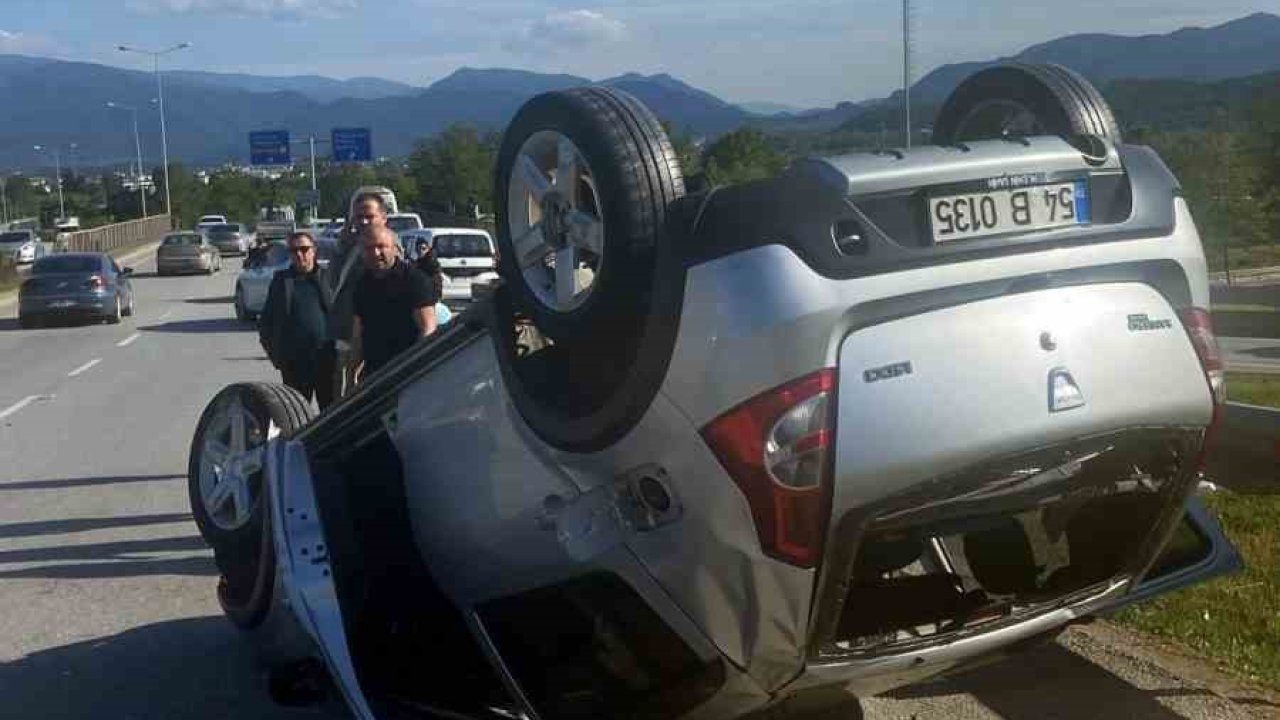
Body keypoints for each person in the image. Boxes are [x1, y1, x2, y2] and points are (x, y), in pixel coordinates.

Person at [258, 230, 336, 409]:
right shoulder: (282, 281)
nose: (300, 254)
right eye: (294, 251)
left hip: (327, 360)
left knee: (331, 411)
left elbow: (341, 316)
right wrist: (276, 357)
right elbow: (266, 323)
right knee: (297, 415)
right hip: (294, 364)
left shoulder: (328, 278)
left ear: (314, 250)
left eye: (304, 249)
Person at [351, 226, 439, 380]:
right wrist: (352, 373)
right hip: (375, 373)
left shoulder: (415, 280)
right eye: (369, 248)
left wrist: (413, 368)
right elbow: (357, 334)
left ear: (394, 248)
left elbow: (428, 329)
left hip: (409, 372)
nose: (375, 253)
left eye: (381, 246)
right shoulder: (362, 284)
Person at [327, 191, 390, 401]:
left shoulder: (388, 249)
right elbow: (332, 282)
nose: (363, 221)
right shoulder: (351, 246)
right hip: (346, 331)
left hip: (372, 335)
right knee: (341, 389)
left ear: (383, 218)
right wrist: (341, 248)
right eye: (358, 217)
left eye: (369, 216)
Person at [413, 236, 444, 302]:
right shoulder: (417, 262)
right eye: (418, 249)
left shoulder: (431, 262)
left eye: (423, 248)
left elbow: (436, 280)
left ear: (428, 249)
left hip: (432, 295)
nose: (421, 251)